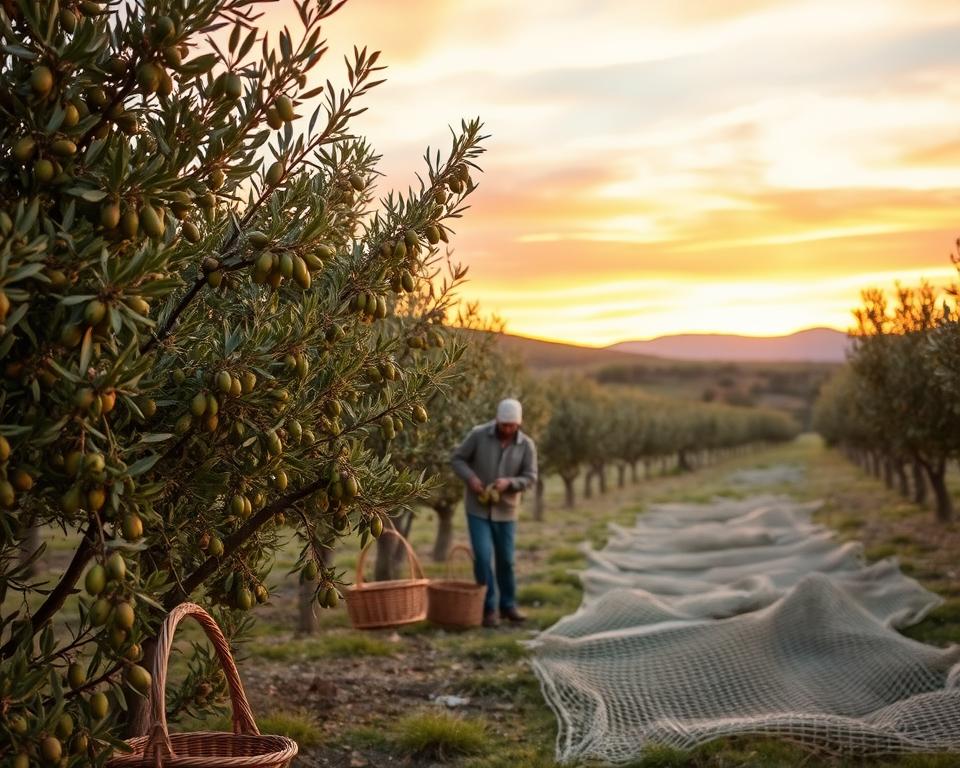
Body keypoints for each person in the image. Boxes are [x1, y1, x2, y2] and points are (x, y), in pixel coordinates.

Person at [451, 398, 538, 628]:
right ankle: (488, 608)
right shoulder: (479, 435)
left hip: (506, 512)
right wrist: (470, 478)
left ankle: (508, 606)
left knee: (506, 560)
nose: (508, 429)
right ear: (497, 420)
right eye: (504, 424)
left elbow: (531, 477)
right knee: (482, 557)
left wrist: (509, 482)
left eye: (512, 425)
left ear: (518, 424)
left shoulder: (526, 445)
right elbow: (457, 458)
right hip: (477, 509)